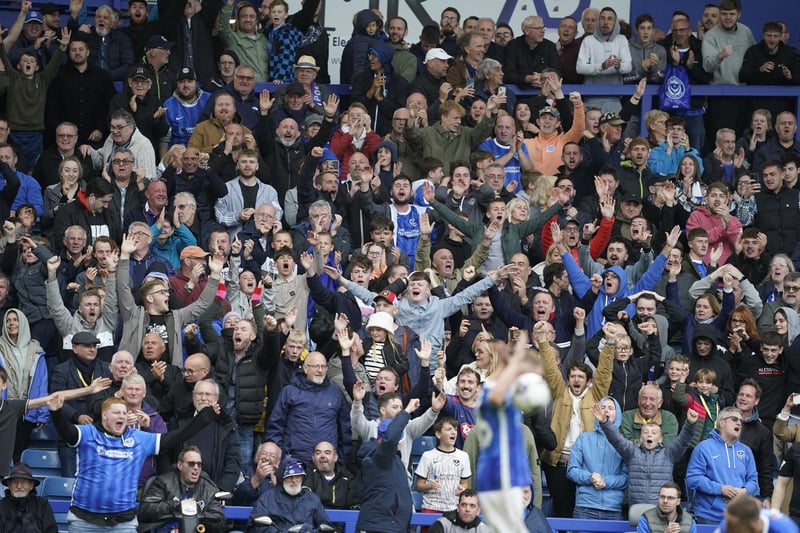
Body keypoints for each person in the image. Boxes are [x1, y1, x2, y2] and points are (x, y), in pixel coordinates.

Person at [46, 391, 221, 532]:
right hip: (84, 522)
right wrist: (56, 412)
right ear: (104, 416)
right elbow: (67, 432)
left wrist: (204, 417)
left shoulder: (138, 439)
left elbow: (175, 438)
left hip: (123, 523)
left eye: (124, 413)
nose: (121, 416)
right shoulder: (89, 433)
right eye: (116, 413)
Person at [264, 351, 351, 464]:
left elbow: (345, 428)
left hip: (326, 462)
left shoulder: (336, 393)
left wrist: (341, 460)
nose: (320, 370)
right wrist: (281, 457)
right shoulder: (289, 391)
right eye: (315, 366)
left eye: (323, 366)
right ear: (305, 368)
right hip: (294, 459)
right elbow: (276, 425)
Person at [685, 407, 760, 525]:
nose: (739, 423)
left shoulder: (746, 451)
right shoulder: (704, 448)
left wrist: (744, 492)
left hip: (738, 516)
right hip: (708, 517)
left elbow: (753, 480)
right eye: (734, 419)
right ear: (722, 423)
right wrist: (720, 489)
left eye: (741, 421)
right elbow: (693, 478)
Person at [138, 446, 226, 533]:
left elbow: (219, 523)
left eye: (199, 464)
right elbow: (146, 510)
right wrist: (176, 506)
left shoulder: (209, 489)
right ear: (180, 465)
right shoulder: (162, 482)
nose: (196, 468)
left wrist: (198, 513)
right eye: (191, 464)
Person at [356, 405, 414, 533]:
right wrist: (406, 411)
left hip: (392, 526)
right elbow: (390, 439)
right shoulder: (381, 458)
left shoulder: (391, 460)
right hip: (380, 527)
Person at [248, 459, 331, 532]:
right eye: (290, 477)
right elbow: (255, 526)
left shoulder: (313, 499)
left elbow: (324, 525)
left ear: (303, 478)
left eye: (298, 476)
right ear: (282, 478)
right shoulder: (268, 497)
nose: (294, 480)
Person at [0, 462, 57, 533]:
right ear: (9, 484)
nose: (19, 486)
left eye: (23, 482)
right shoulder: (1, 506)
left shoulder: (42, 504)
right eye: (15, 482)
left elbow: (51, 530)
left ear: (31, 485)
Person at [304, 441, 362, 510]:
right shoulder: (306, 475)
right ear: (313, 458)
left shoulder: (348, 478)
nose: (322, 456)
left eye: (327, 453)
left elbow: (355, 504)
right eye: (318, 453)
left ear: (335, 457)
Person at [722, 495, 799, 533]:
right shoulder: (732, 521)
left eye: (731, 526)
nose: (726, 527)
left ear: (752, 526)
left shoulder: (786, 530)